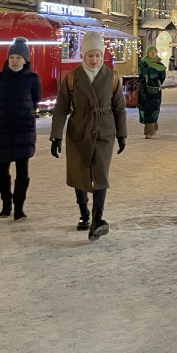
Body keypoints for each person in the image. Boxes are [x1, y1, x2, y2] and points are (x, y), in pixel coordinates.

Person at [50, 30, 127, 240]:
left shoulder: (112, 77)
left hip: (104, 130)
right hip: (79, 130)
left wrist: (122, 134)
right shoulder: (72, 78)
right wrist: (56, 135)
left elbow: (119, 108)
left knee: (100, 174)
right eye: (90, 55)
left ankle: (97, 218)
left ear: (103, 56)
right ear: (83, 55)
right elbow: (61, 108)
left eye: (98, 55)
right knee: (79, 173)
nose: (94, 60)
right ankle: (84, 213)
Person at [0, 38, 41, 220]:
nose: (14, 61)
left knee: (23, 171)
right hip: (2, 130)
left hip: (23, 131)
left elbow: (35, 101)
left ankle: (19, 207)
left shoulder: (32, 79)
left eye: (18, 57)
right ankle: (6, 203)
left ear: (26, 60)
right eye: (11, 57)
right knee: (2, 171)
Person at [138, 46, 166, 139]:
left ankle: (148, 132)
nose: (153, 53)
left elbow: (162, 77)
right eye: (151, 52)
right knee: (145, 110)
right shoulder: (143, 63)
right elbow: (140, 74)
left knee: (152, 110)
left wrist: (155, 83)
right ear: (148, 53)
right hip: (143, 91)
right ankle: (153, 126)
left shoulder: (160, 65)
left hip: (154, 91)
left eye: (154, 52)